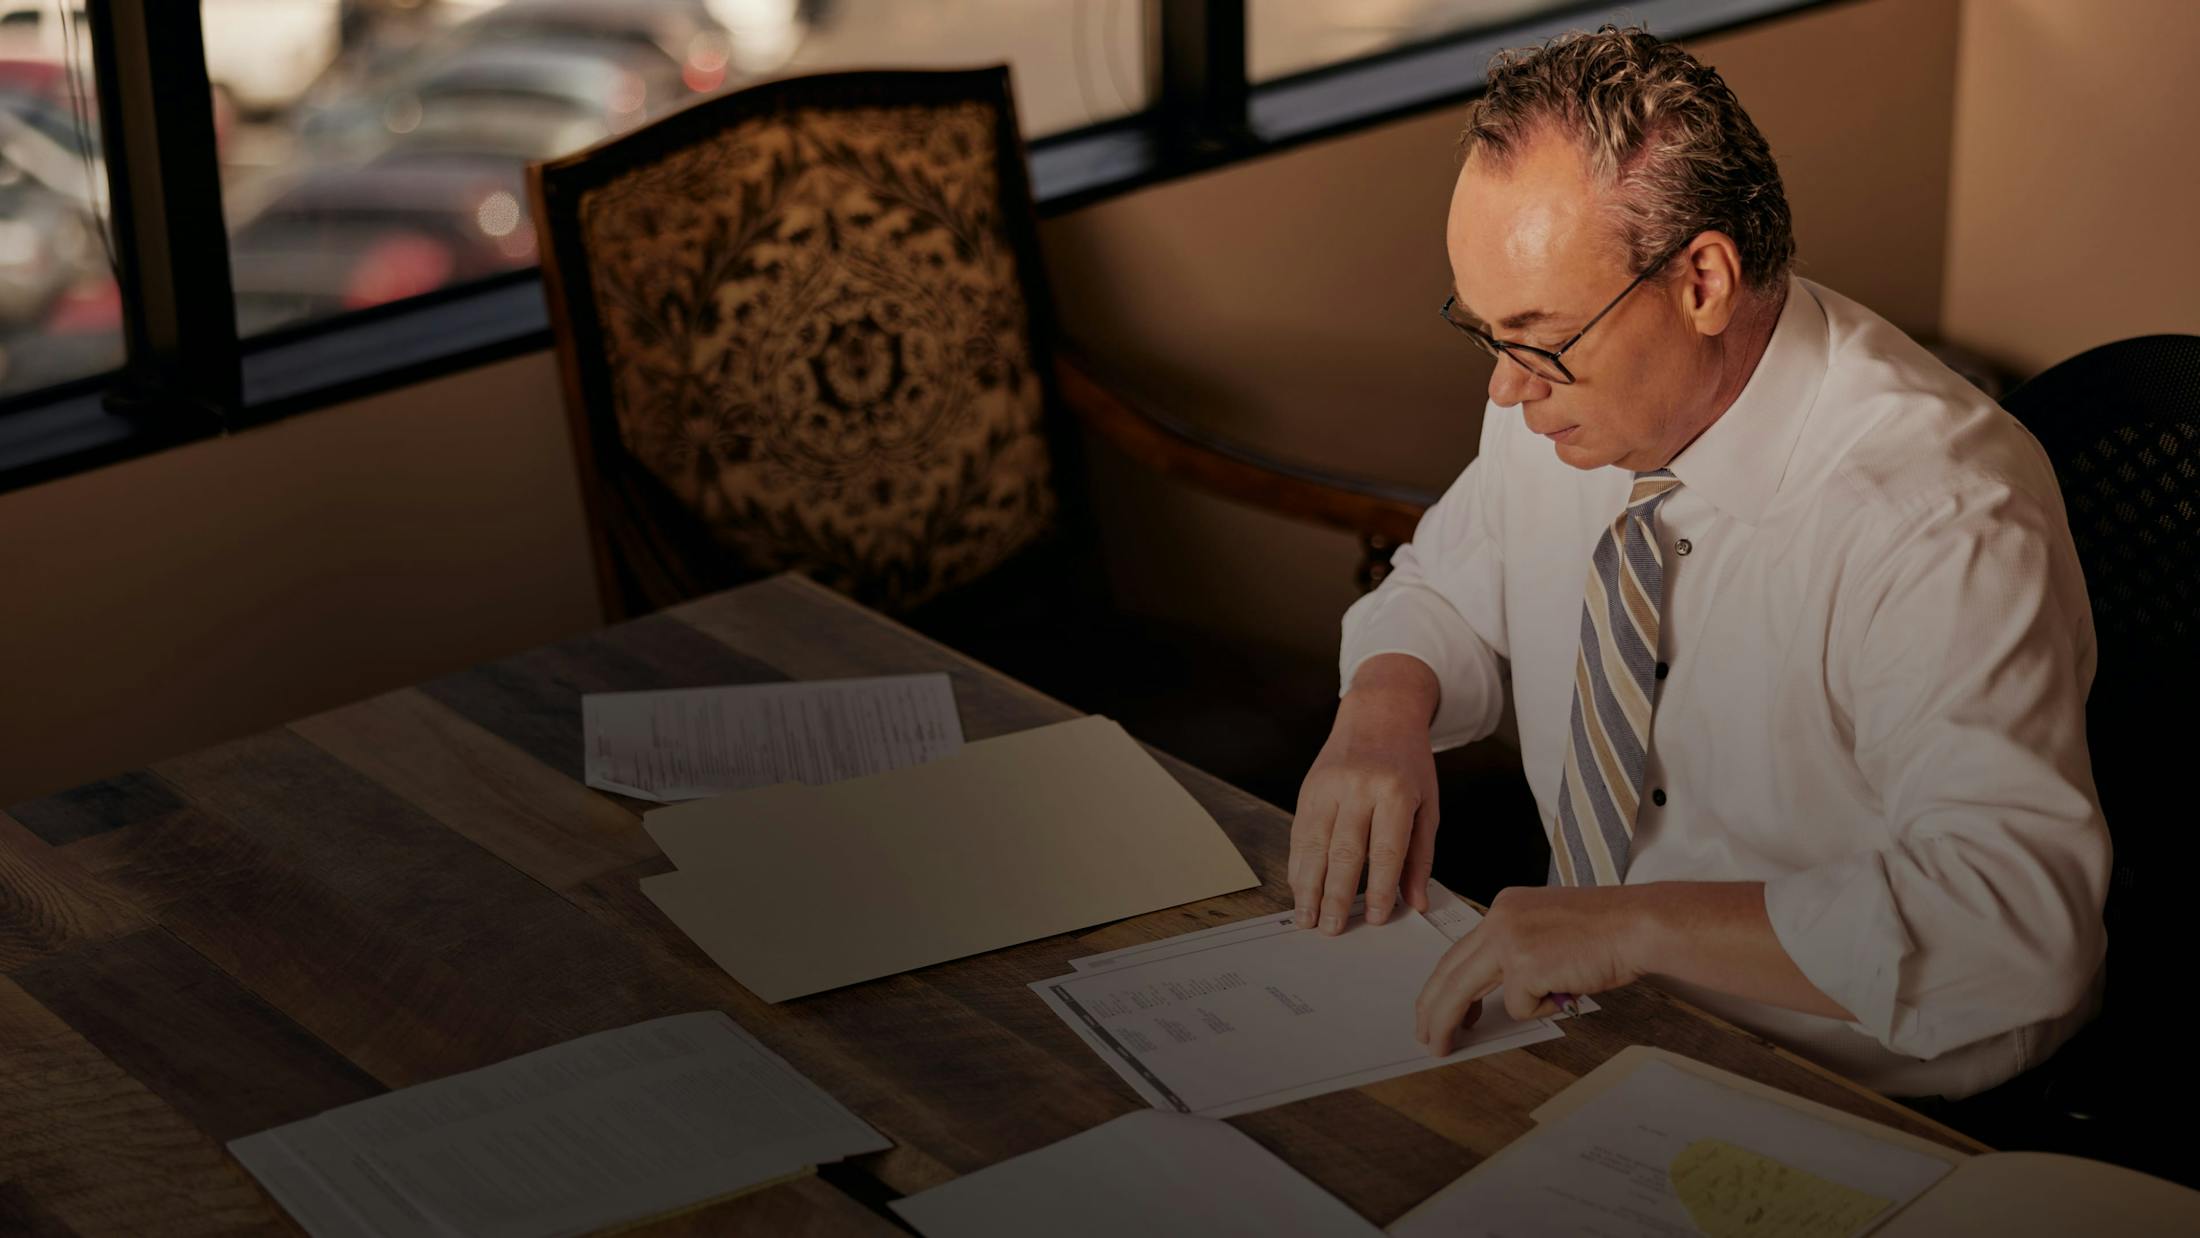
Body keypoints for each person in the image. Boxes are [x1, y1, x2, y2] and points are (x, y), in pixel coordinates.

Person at [1290, 24, 2107, 1100]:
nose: (1502, 389)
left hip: (1871, 1092)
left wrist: (1630, 925)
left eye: (1533, 336)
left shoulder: (1939, 516)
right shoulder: (1561, 399)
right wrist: (1384, 709)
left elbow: (2014, 922)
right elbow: (1449, 582)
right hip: (1591, 1032)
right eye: (1482, 332)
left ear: (1703, 280)